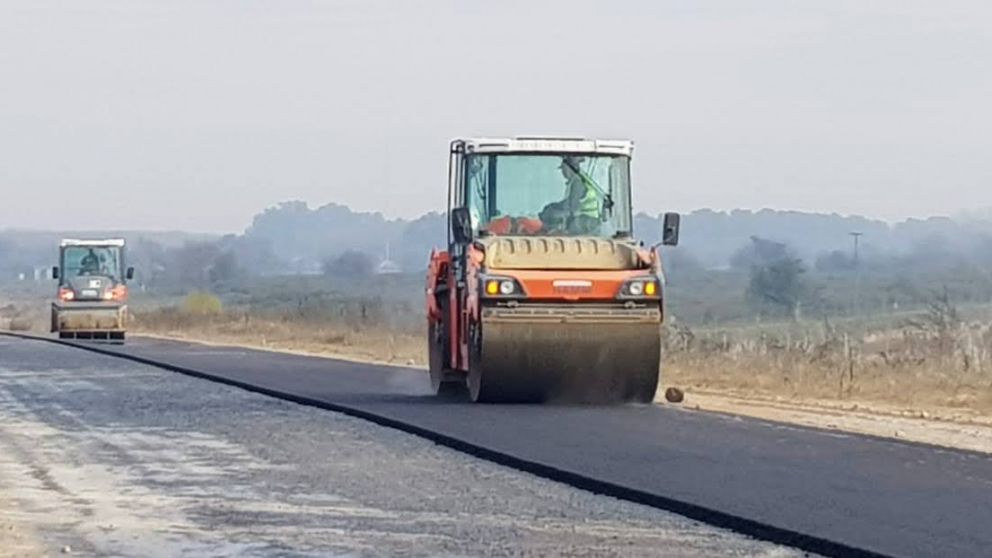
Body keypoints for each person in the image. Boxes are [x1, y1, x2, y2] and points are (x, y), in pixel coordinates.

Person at [539, 156, 601, 235]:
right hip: (587, 220)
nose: (563, 172)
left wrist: (551, 213)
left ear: (569, 168)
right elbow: (567, 203)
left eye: (563, 169)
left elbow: (571, 209)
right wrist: (552, 207)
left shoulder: (578, 183)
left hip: (587, 221)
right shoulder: (577, 180)